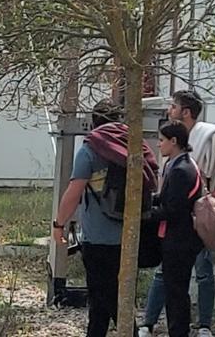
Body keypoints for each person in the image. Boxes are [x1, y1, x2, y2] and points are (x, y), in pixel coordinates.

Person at [52, 101, 158, 337]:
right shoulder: (133, 145)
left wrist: (59, 224)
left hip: (98, 239)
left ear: (94, 121)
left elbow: (74, 192)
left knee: (105, 298)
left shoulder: (90, 149)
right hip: (129, 238)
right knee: (109, 299)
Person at [139, 90, 215, 337]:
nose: (158, 145)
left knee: (188, 283)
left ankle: (199, 326)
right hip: (178, 235)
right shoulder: (179, 161)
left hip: (184, 234)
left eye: (173, 106)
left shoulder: (187, 163)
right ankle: (149, 322)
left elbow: (174, 208)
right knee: (170, 283)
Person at [149, 122, 205, 337]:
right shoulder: (175, 164)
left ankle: (179, 332)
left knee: (177, 293)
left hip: (180, 240)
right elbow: (165, 199)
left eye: (162, 140)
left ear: (174, 141)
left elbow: (173, 209)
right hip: (174, 237)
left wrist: (146, 214)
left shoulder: (183, 170)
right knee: (174, 290)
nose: (158, 144)